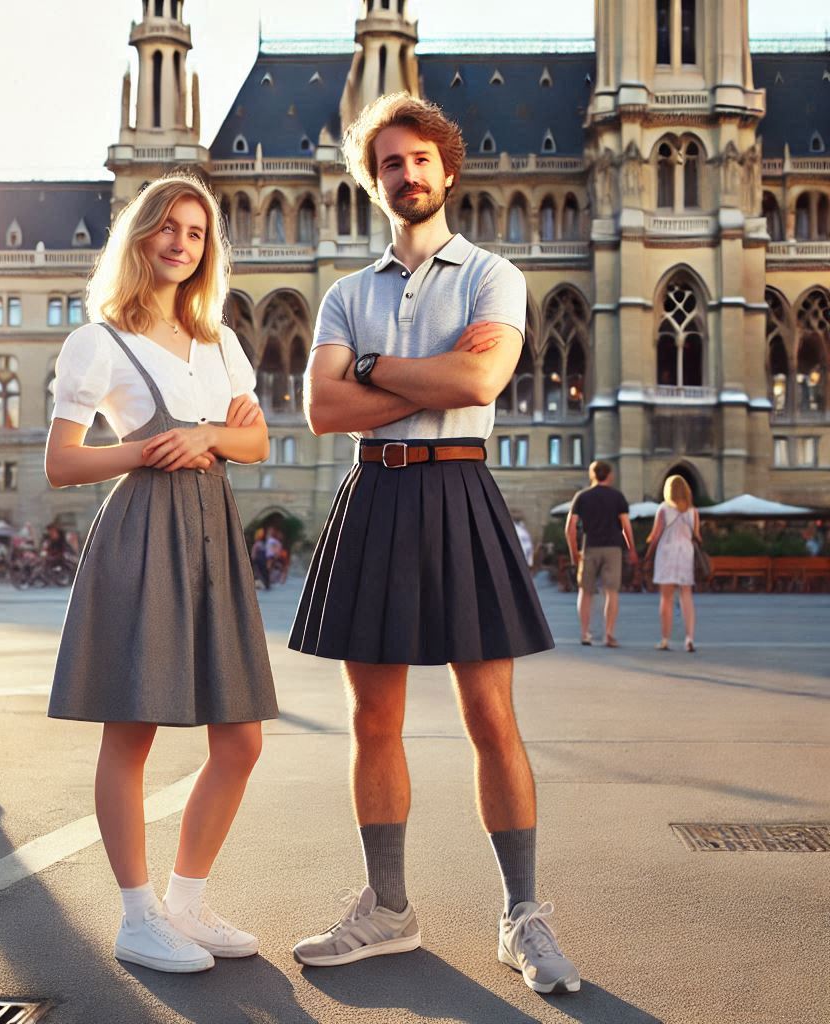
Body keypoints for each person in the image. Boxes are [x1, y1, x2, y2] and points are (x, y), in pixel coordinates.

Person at [288, 94, 578, 995]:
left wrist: (369, 368)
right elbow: (321, 410)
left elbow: (481, 374)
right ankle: (388, 910)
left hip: (459, 486)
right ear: (373, 183)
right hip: (374, 490)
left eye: (419, 160)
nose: (405, 175)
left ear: (447, 170)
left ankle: (523, 915)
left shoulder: (493, 275)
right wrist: (417, 380)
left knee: (491, 716)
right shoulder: (344, 291)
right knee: (372, 718)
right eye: (388, 164)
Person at [45, 174, 278, 975]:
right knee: (133, 727)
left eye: (196, 232)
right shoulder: (98, 341)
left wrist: (209, 432)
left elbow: (258, 443)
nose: (182, 243)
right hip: (144, 533)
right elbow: (62, 463)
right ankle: (137, 916)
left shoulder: (219, 340)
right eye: (168, 229)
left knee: (241, 738)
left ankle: (186, 903)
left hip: (213, 535)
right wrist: (147, 448)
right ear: (139, 236)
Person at [564, 460, 637, 647]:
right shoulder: (617, 497)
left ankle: (584, 634)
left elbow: (570, 528)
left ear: (592, 475)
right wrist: (632, 549)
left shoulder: (582, 496)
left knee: (585, 591)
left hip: (590, 548)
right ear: (610, 475)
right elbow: (626, 527)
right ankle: (609, 634)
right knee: (611, 592)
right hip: (613, 549)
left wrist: (574, 553)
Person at [644, 474, 700, 652]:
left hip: (667, 552)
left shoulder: (664, 509)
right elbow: (697, 536)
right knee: (686, 596)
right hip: (685, 553)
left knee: (666, 598)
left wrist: (647, 556)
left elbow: (655, 536)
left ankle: (665, 639)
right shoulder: (693, 511)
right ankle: (689, 638)